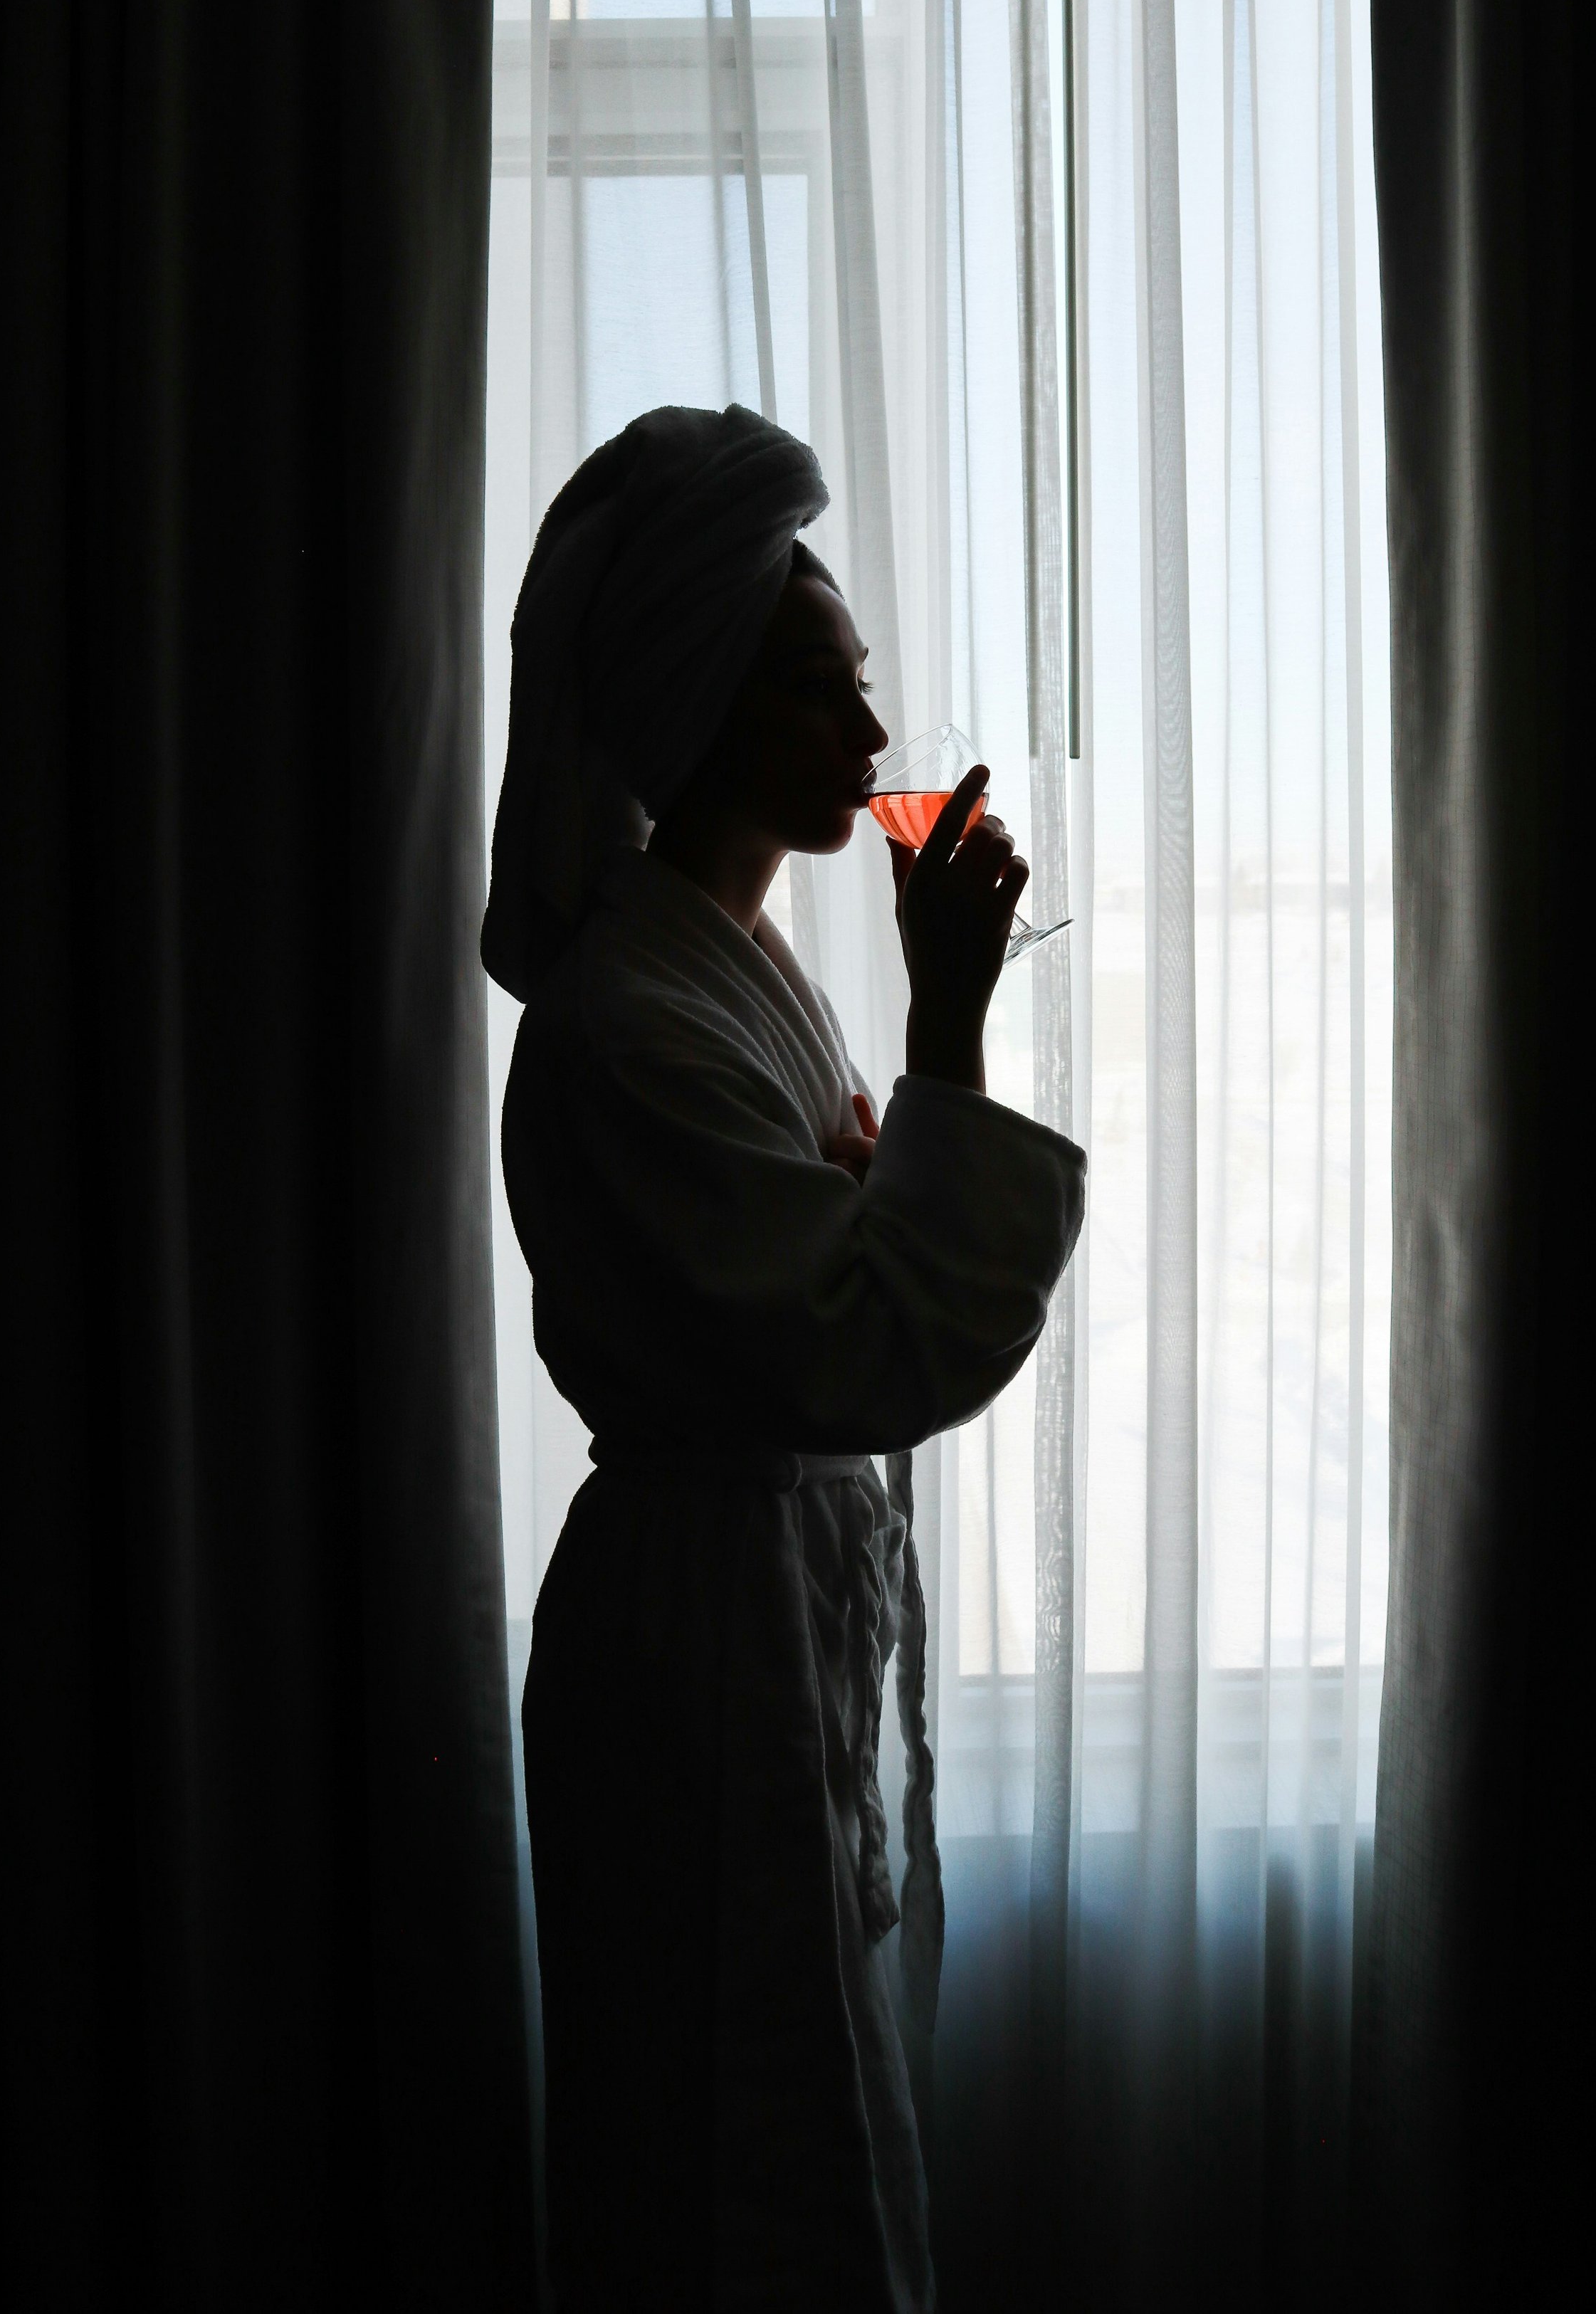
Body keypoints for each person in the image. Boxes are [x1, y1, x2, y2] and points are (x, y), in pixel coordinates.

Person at [483, 404, 1086, 2312]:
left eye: (861, 681)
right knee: (739, 2166)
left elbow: (841, 1264)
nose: (871, 734)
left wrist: (890, 1126)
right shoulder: (631, 1020)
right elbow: (863, 1340)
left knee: (796, 2129)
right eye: (820, 691)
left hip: (761, 1609)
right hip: (704, 1641)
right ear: (700, 707)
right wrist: (946, 1021)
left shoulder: (730, 972)